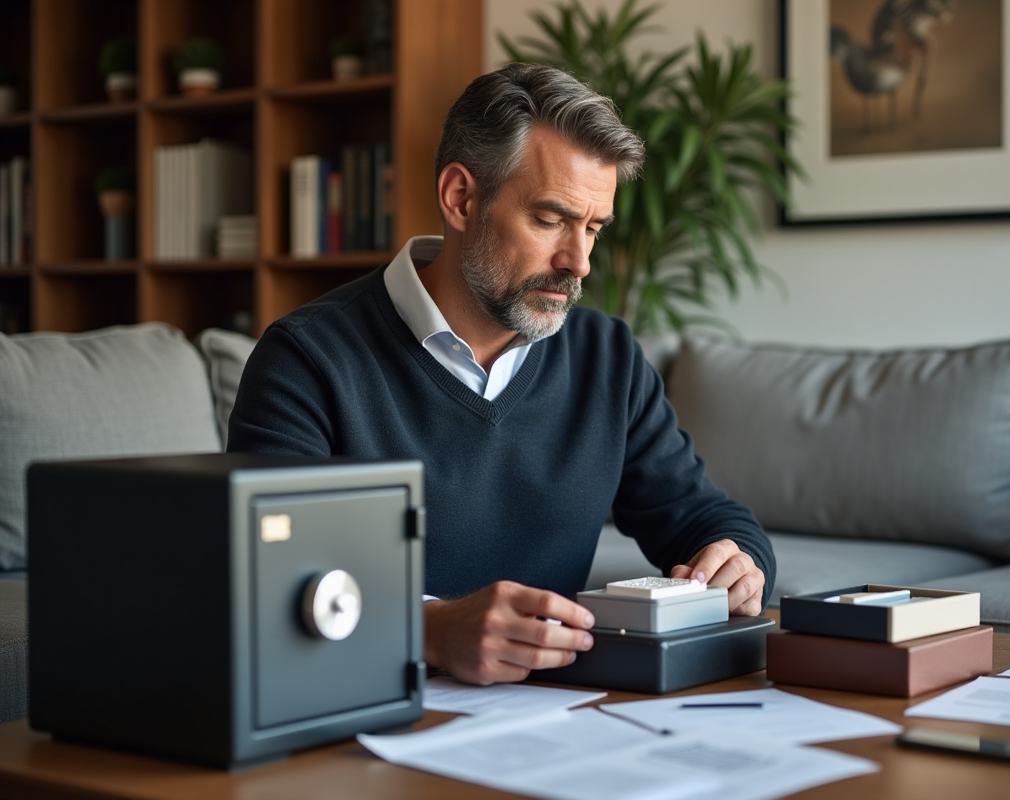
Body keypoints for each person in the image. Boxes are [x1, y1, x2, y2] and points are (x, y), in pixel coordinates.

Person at [227, 63, 776, 685]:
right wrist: (430, 632)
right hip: (366, 708)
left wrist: (740, 563)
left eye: (593, 228)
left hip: (553, 723)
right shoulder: (306, 360)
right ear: (461, 198)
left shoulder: (608, 358)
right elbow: (270, 585)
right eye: (550, 220)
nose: (580, 264)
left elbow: (704, 518)